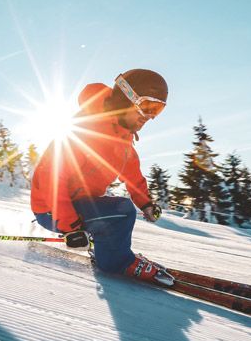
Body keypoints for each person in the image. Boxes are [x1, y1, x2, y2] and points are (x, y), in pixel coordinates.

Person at [30, 68, 173, 285]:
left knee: (118, 211)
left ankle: (108, 251)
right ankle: (116, 262)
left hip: (78, 204)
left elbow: (133, 176)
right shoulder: (84, 130)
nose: (150, 117)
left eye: (158, 110)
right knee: (122, 211)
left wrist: (146, 203)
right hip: (52, 208)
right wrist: (70, 226)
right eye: (147, 106)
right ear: (127, 98)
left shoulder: (123, 140)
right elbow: (51, 180)